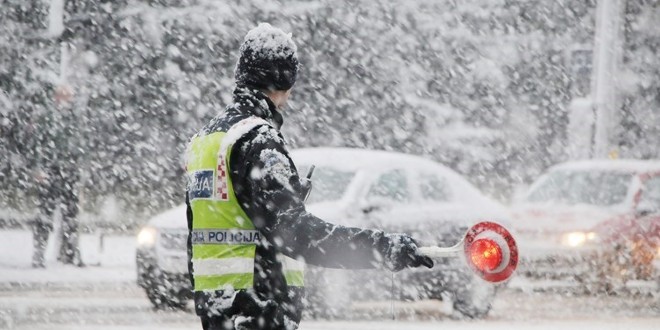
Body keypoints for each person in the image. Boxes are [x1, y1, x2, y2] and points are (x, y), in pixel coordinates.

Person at [185, 23, 433, 330]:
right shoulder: (258, 141)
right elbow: (299, 235)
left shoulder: (206, 140)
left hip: (218, 311)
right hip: (258, 310)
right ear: (286, 79)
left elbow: (202, 236)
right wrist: (383, 248)